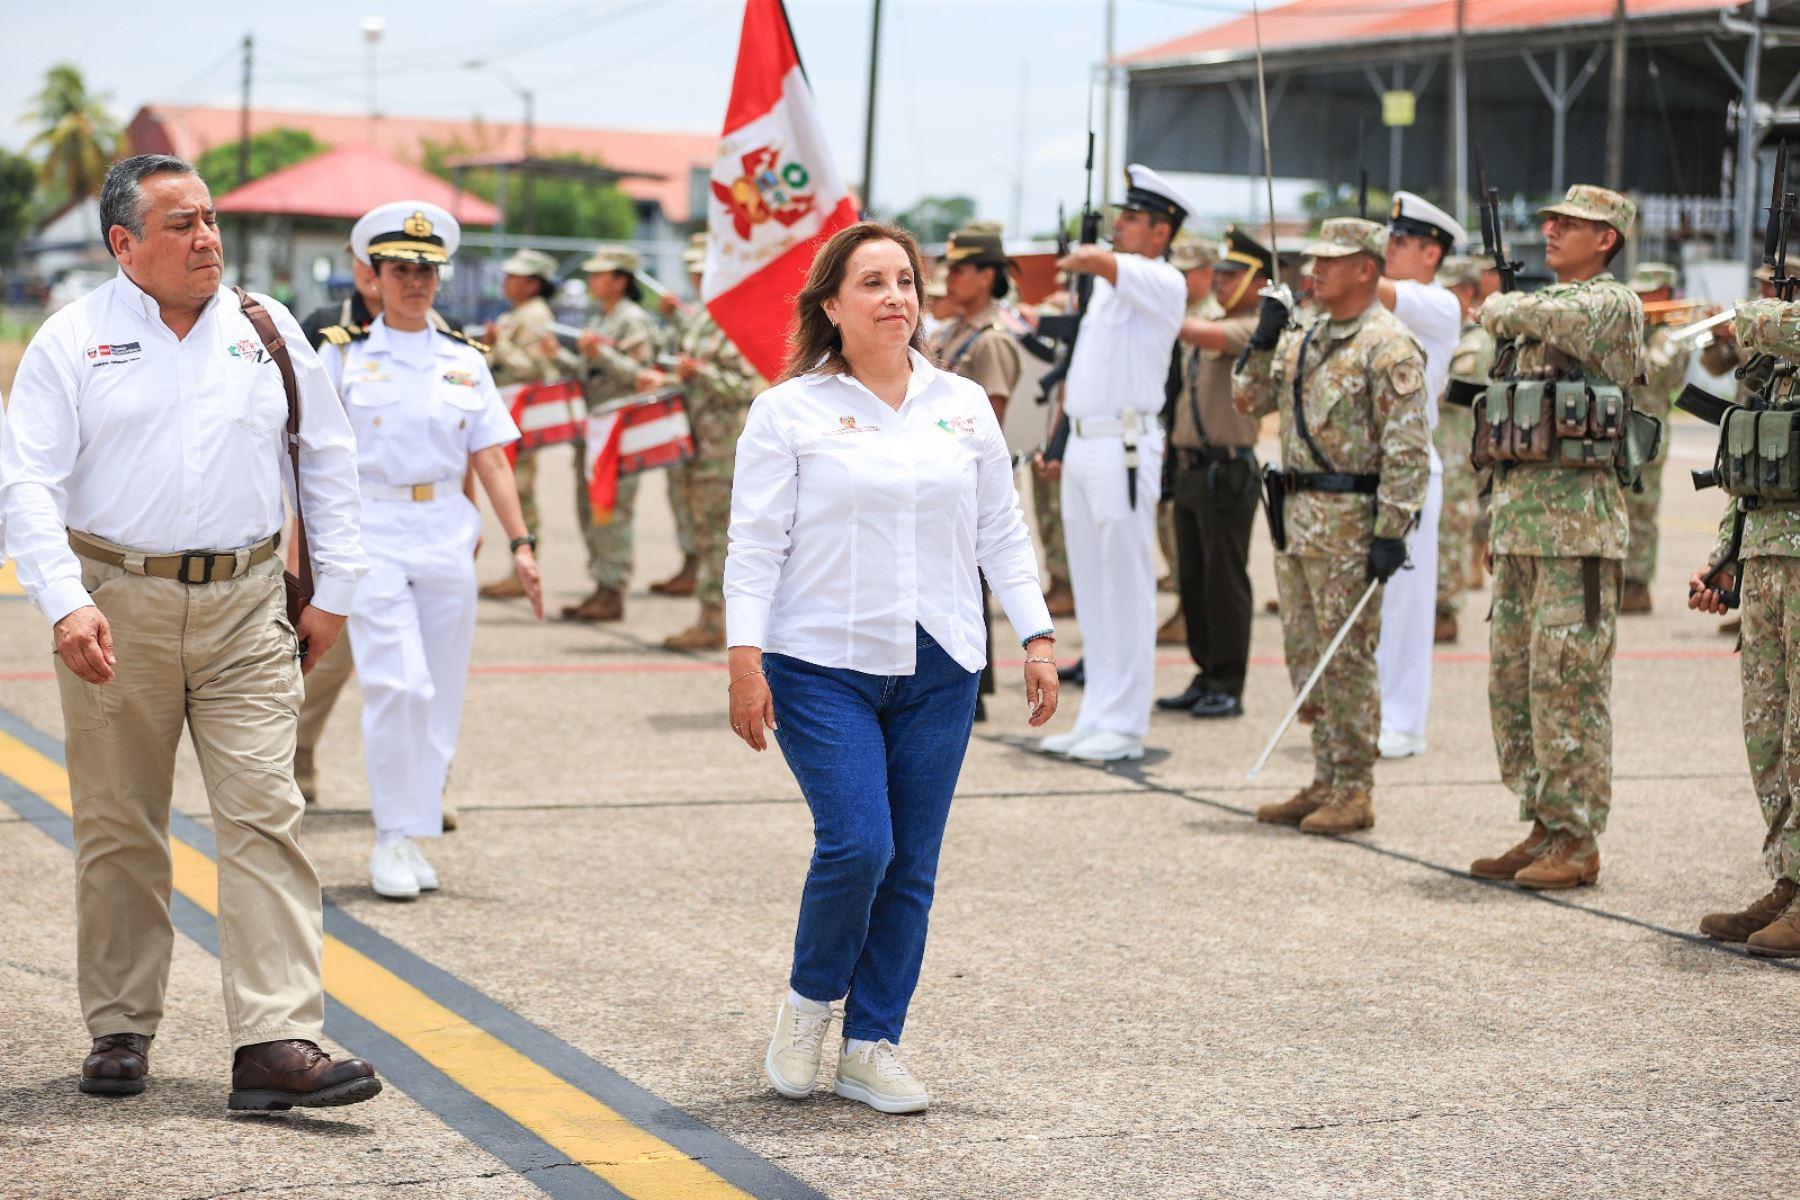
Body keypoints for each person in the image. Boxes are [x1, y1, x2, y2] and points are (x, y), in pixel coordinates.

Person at [0, 154, 380, 1108]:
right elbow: (27, 487)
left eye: (210, 219)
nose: (207, 238)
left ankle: (275, 1041)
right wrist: (62, 599)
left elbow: (328, 460)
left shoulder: (266, 328)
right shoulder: (71, 340)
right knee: (120, 826)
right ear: (125, 244)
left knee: (266, 817)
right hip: (113, 607)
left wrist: (332, 589)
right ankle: (122, 1026)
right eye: (181, 224)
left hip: (249, 606)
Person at [725, 221, 1057, 1114]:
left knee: (911, 861)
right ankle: (808, 1006)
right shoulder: (787, 409)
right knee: (859, 843)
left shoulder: (963, 404)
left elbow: (1001, 531)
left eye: (905, 280)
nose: (895, 297)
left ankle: (873, 1042)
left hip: (941, 661)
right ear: (830, 305)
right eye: (871, 282)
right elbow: (756, 542)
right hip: (820, 661)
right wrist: (743, 656)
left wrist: (1036, 636)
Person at [319, 202, 543, 899]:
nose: (416, 281)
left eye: (427, 269)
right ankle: (389, 837)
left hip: (447, 526)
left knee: (439, 694)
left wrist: (521, 544)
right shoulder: (344, 353)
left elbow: (495, 461)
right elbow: (312, 459)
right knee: (398, 684)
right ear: (372, 277)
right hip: (373, 528)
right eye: (400, 269)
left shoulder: (465, 361)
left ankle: (413, 834)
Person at [1468, 185, 1646, 889]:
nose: (1549, 229)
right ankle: (1542, 822)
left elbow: (1537, 309)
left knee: (1567, 684)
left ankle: (1578, 838)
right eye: (1549, 219)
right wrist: (1494, 522)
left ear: (1606, 240)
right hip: (1522, 527)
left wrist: (1498, 305)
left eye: (1569, 224)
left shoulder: (1608, 305)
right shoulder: (1540, 321)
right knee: (1514, 682)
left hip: (1579, 532)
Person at [1233, 218, 1431, 835]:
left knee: (1346, 659)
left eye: (1330, 261)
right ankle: (1324, 776)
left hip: (1350, 524)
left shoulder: (1388, 345)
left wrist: (1392, 530)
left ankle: (1354, 787)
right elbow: (1249, 399)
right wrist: (1263, 339)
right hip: (1295, 521)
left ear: (1366, 269)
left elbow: (1407, 449)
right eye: (1313, 259)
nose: (1314, 270)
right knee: (1306, 654)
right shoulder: (1307, 337)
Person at [1034, 165, 1190, 762]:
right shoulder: (1112, 289)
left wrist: (1086, 253)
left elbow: (1100, 262)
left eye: (1130, 219)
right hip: (1086, 442)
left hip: (1126, 445)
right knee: (1095, 589)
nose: (1120, 227)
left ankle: (1124, 724)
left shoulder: (1162, 280)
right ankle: (1097, 711)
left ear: (1159, 230)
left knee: (1126, 589)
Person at [1690, 298, 1800, 955]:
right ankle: (1789, 878)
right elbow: (1752, 471)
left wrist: (1757, 318)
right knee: (1768, 731)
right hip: (1768, 555)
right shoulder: (1778, 364)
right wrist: (1724, 561)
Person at [1155, 227, 1271, 720]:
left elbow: (1205, 334)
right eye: (1219, 275)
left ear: (1258, 281)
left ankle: (1228, 679)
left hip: (1227, 470)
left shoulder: (1255, 324)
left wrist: (1155, 307)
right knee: (1195, 579)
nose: (1221, 283)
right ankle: (1205, 671)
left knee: (1224, 581)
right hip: (1190, 468)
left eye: (1232, 275)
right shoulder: (1217, 321)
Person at [637, 232, 765, 650]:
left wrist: (700, 373)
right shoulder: (704, 317)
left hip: (722, 447)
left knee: (718, 537)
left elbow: (746, 385)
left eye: (701, 269)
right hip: (695, 441)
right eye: (691, 269)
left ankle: (717, 622)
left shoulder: (735, 318)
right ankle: (711, 616)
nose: (694, 276)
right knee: (704, 532)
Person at [1373, 192, 1465, 759]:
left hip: (1410, 468)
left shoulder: (1438, 304)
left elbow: (1372, 288)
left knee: (1405, 604)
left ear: (1431, 252)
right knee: (1373, 601)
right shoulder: (1383, 306)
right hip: (1368, 466)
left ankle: (1402, 722)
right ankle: (1371, 711)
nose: (1387, 249)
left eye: (1399, 241)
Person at [928, 225, 1026, 719]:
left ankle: (974, 688)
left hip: (969, 478)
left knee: (972, 579)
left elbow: (993, 419)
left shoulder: (992, 339)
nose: (952, 278)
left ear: (988, 276)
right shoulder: (953, 331)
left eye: (963, 269)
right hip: (940, 476)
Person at [480, 247, 582, 600]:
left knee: (520, 491)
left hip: (522, 412)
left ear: (532, 283)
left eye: (515, 277)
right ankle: (519, 563)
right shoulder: (521, 313)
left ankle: (524, 564)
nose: (507, 283)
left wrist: (499, 346)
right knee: (516, 489)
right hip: (510, 410)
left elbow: (534, 367)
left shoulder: (534, 315)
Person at [562, 246, 657, 622]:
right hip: (596, 428)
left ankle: (613, 587)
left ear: (621, 280)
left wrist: (599, 354)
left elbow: (639, 374)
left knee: (611, 509)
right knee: (591, 509)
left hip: (619, 430)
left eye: (601, 274)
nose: (592, 279)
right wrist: (565, 355)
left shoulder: (632, 320)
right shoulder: (603, 316)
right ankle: (601, 584)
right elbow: (591, 372)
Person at [1155, 233, 1221, 646]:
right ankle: (1186, 606)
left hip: (1201, 446)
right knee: (1169, 529)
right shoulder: (1178, 314)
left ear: (1206, 273)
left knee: (1194, 546)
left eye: (1185, 271)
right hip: (1173, 437)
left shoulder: (1210, 319)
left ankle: (1192, 613)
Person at [1621, 262, 1692, 614]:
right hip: (1624, 429)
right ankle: (1621, 577)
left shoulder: (1672, 335)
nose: (1640, 298)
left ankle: (1637, 585)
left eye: (1646, 293)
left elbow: (1651, 372)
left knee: (1642, 510)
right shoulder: (1646, 332)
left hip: (1650, 435)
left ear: (1663, 295)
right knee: (1621, 505)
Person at [1431, 255, 1495, 643]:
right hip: (1439, 448)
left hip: (1457, 450)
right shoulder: (1447, 335)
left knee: (1451, 529)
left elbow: (1453, 391)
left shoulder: (1476, 339)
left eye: (1450, 292)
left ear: (1469, 293)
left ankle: (1445, 611)